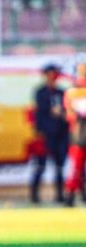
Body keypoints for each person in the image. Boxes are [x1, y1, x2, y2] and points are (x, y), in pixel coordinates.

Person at [30, 64, 69, 204]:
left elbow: (67, 111)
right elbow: (39, 113)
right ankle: (34, 195)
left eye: (54, 75)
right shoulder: (40, 92)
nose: (52, 77)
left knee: (59, 166)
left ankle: (59, 194)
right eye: (50, 74)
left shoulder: (62, 93)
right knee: (40, 165)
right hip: (46, 134)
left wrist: (63, 114)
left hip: (60, 134)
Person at [63, 63, 86, 207]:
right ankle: (71, 196)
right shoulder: (72, 92)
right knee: (76, 168)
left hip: (78, 134)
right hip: (79, 135)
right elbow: (70, 114)